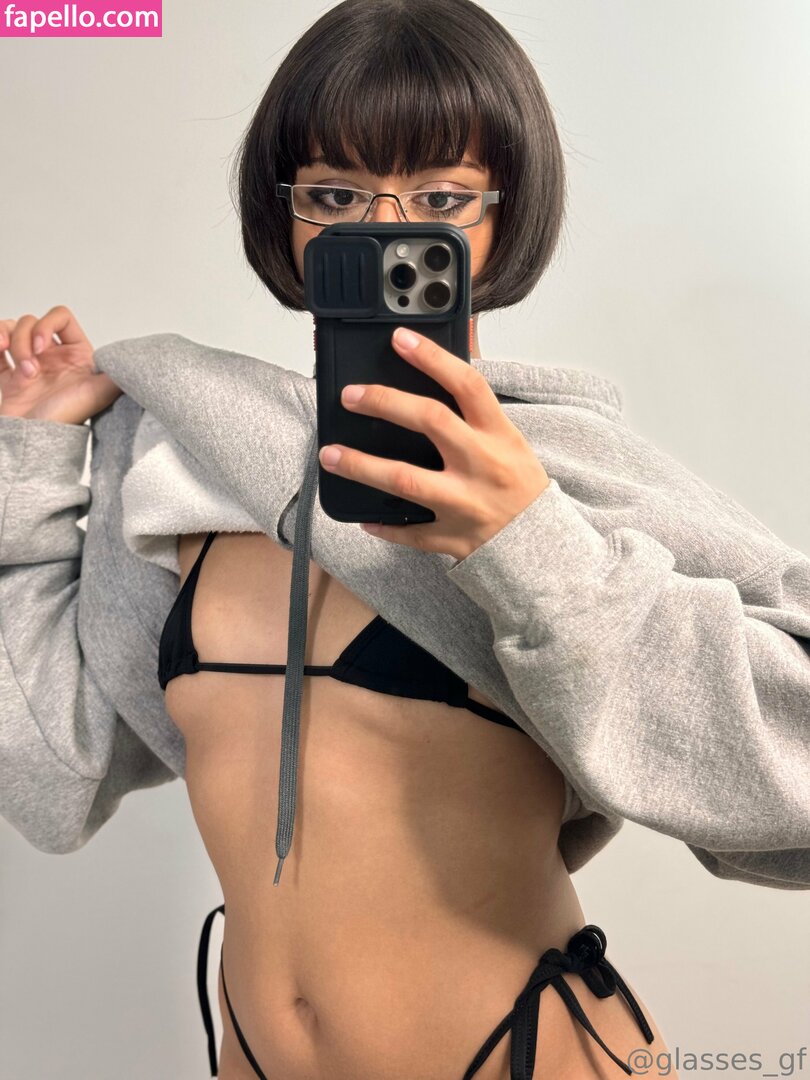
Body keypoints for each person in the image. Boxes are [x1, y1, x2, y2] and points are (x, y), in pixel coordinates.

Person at [2, 2, 808, 1078]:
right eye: (335, 195)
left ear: (504, 215)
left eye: (440, 198)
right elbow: (52, 782)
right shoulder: (179, 470)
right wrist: (34, 462)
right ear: (286, 212)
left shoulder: (568, 473)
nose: (379, 231)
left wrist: (532, 543)